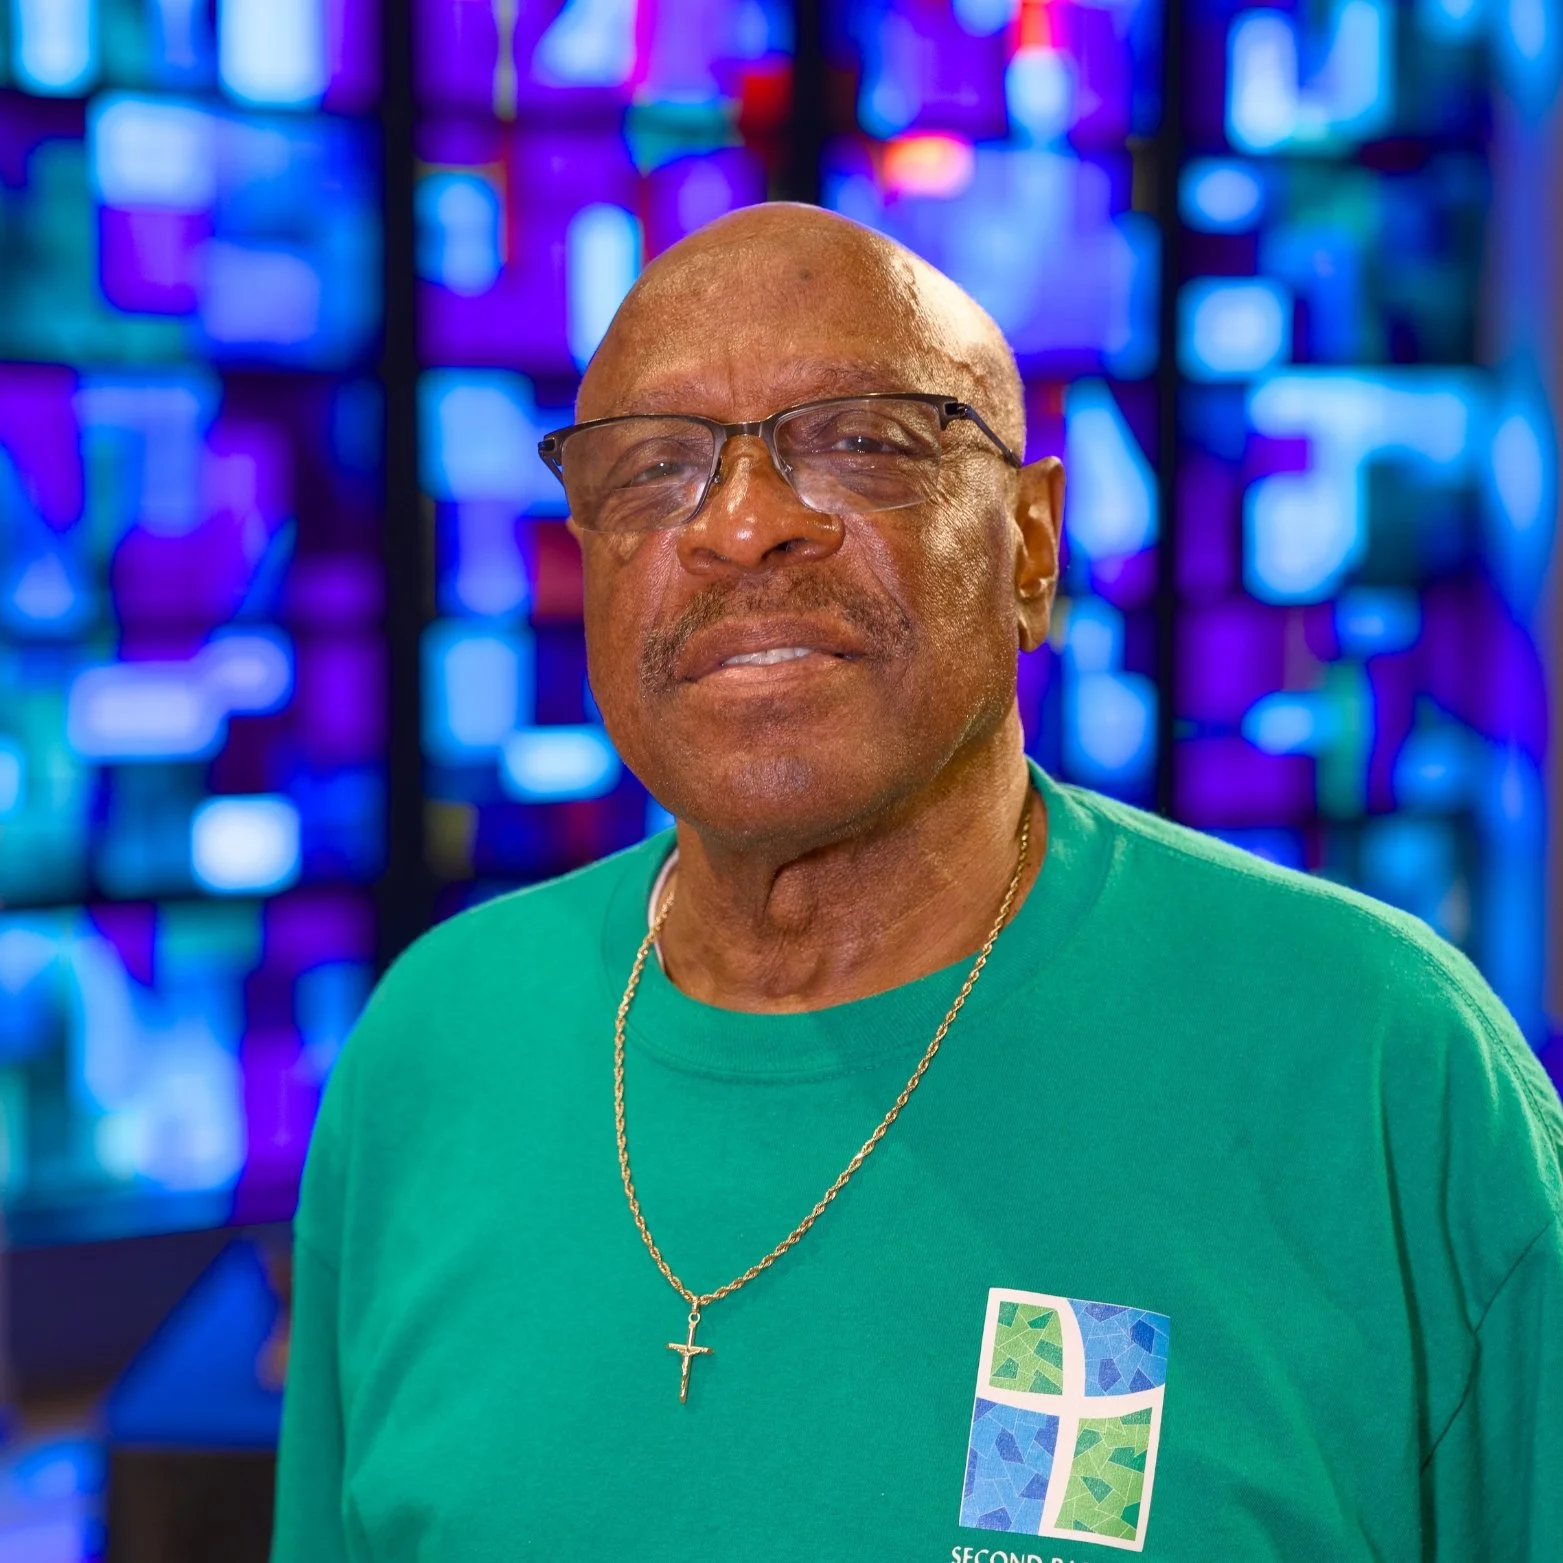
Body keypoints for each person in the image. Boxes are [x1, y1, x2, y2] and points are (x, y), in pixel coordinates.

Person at [270, 205, 1562, 1562]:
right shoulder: (431, 1045)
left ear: (1030, 546)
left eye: (862, 443)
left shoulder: (1374, 1058)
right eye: (653, 472)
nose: (743, 526)